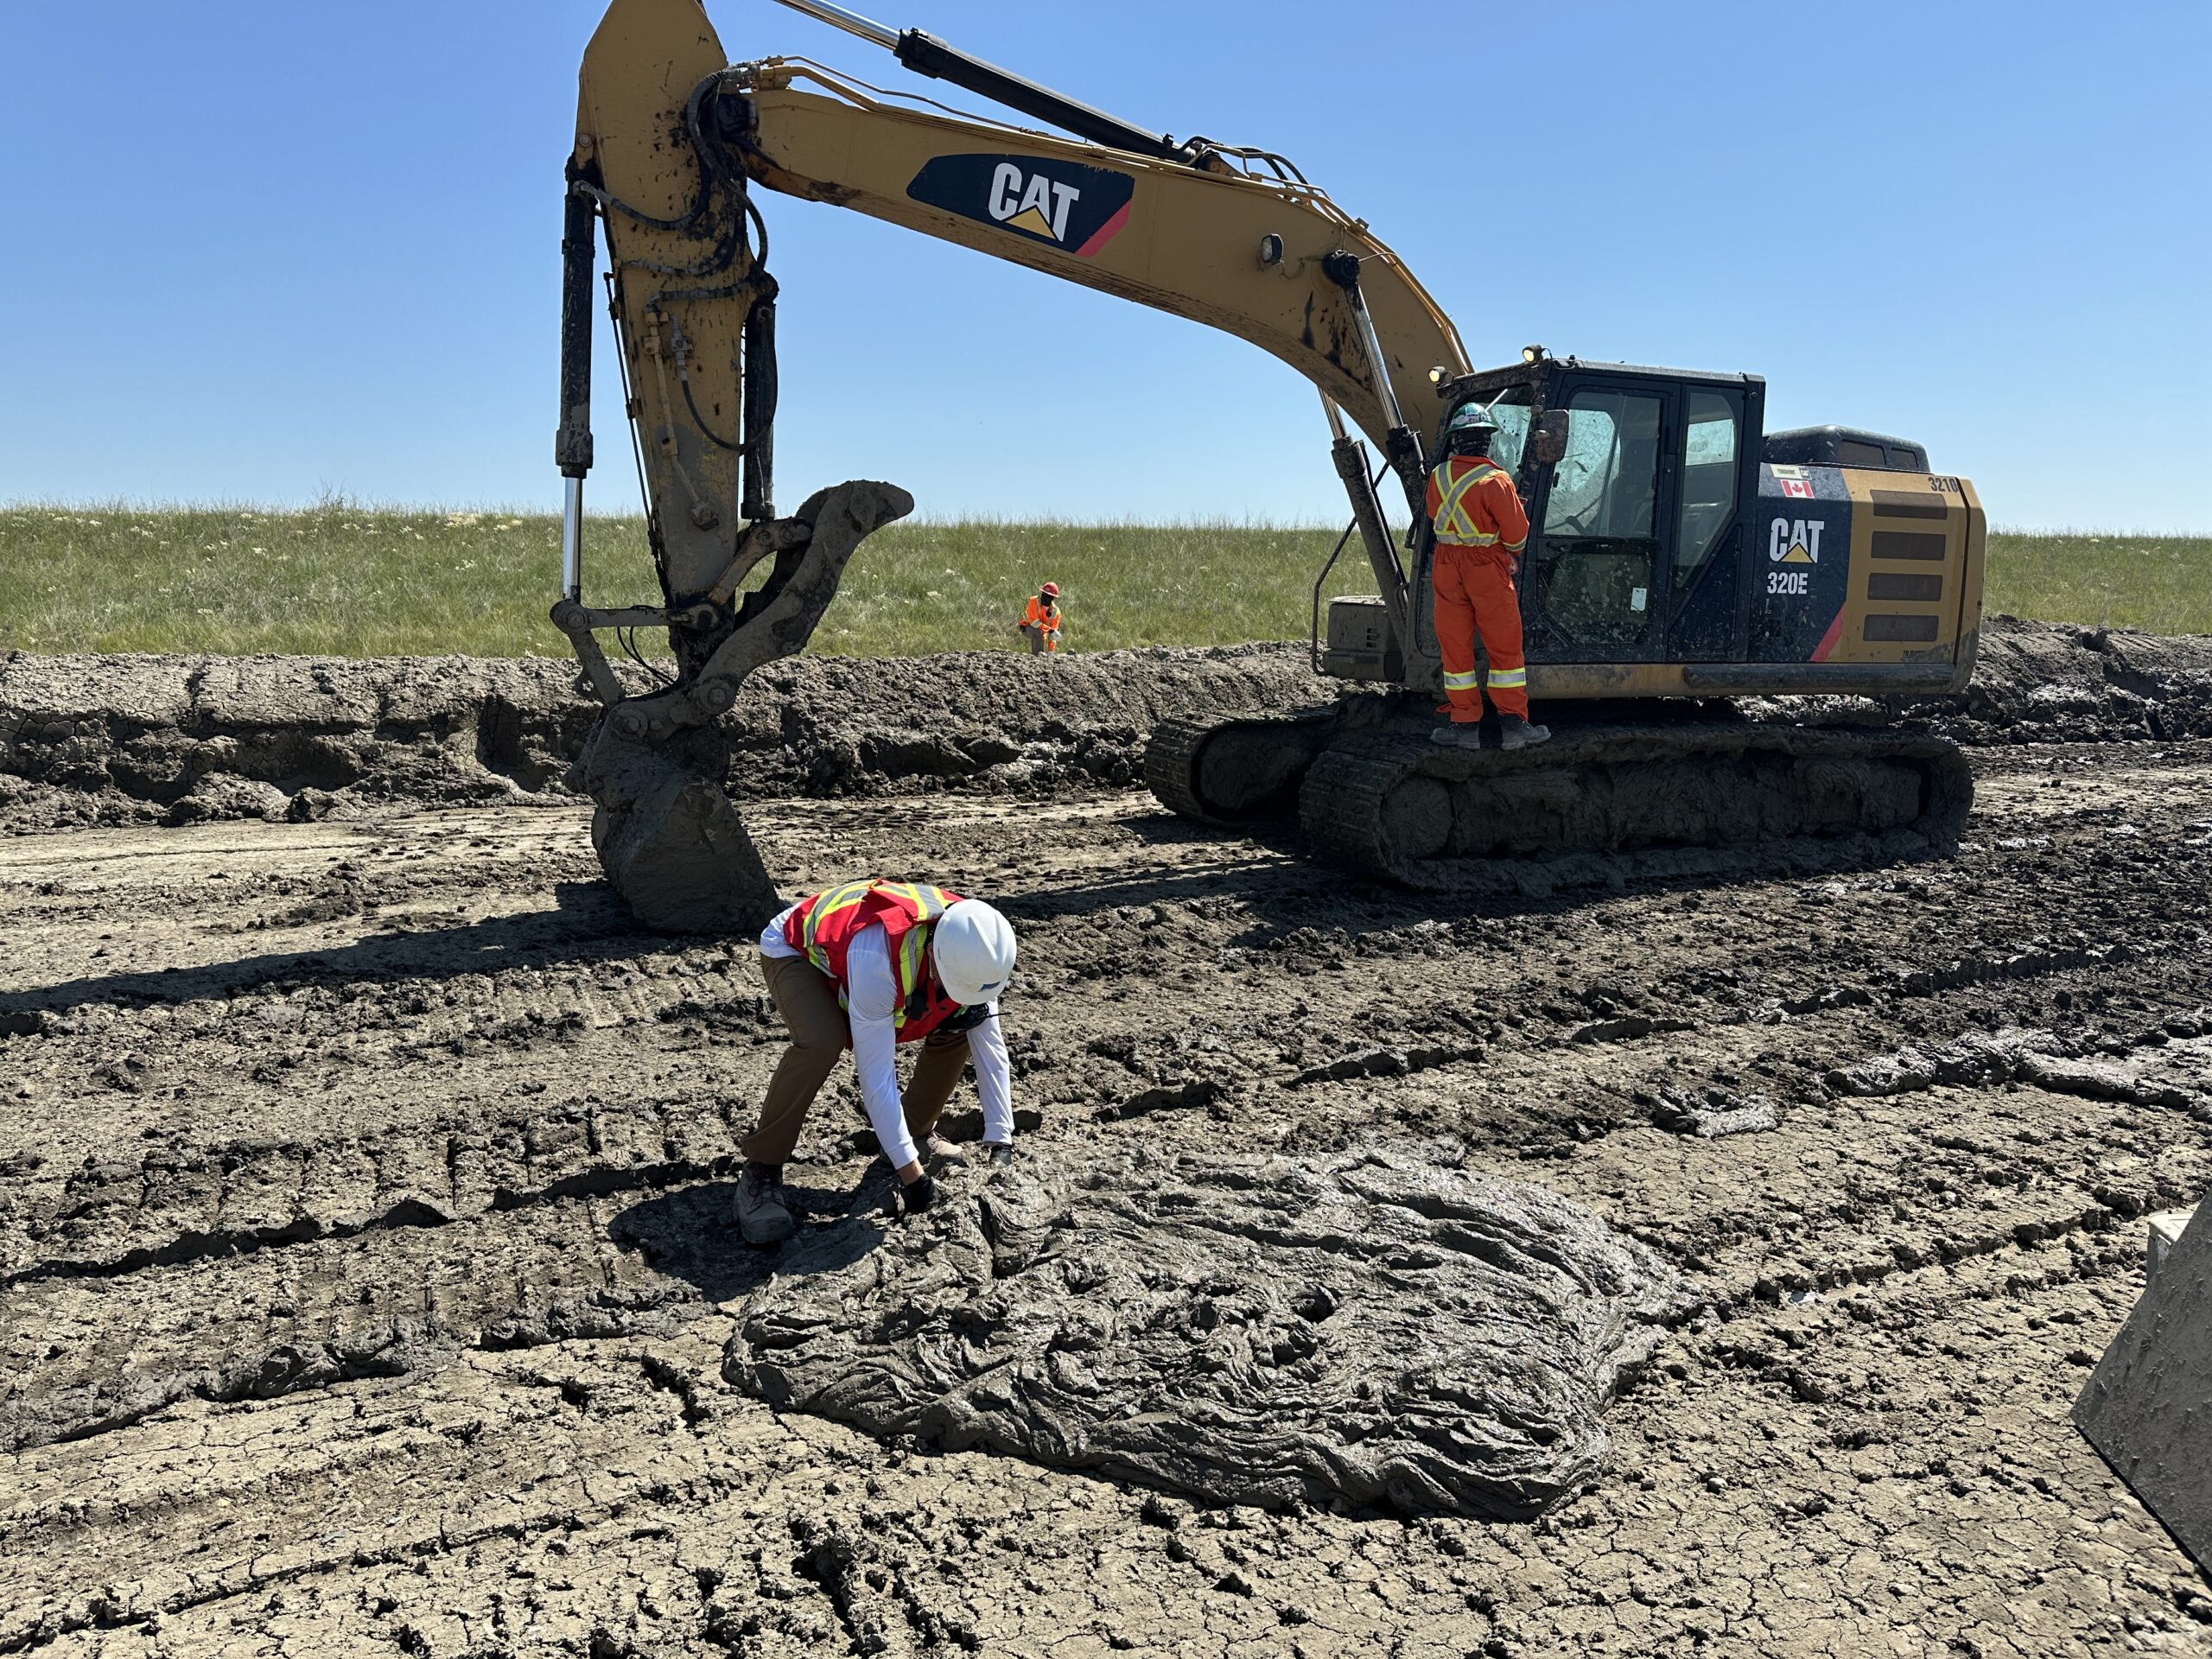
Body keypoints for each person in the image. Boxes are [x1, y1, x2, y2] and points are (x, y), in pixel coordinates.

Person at [734, 879, 1019, 1243]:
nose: (955, 993)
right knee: (822, 1040)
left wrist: (1001, 1142)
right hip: (799, 949)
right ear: (934, 954)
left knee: (962, 1022)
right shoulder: (879, 956)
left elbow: (991, 1048)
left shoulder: (978, 950)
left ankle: (915, 1133)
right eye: (950, 984)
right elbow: (876, 1077)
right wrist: (915, 1180)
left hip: (881, 958)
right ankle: (762, 1169)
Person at [1426, 406, 1549, 749]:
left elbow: (1434, 514)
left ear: (1455, 442)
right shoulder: (1496, 480)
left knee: (1455, 647)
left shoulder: (1438, 477)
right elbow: (1517, 538)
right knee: (1504, 647)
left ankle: (1464, 727)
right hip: (1486, 568)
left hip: (1447, 565)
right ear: (1487, 441)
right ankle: (1513, 725)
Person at [1018, 582, 1064, 654]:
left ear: (1053, 598)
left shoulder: (1055, 612)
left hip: (1042, 631)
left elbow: (1053, 635)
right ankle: (1038, 657)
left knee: (1042, 633)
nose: (1045, 597)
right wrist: (1050, 630)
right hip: (1026, 627)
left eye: (1048, 596)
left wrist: (1051, 651)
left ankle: (1038, 656)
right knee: (1039, 632)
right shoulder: (1034, 601)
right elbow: (1034, 623)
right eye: (1044, 594)